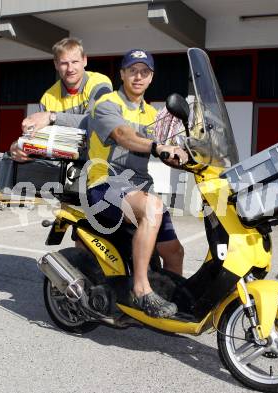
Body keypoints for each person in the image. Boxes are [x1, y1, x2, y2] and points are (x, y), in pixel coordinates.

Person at [87, 49, 188, 318]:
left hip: (138, 188)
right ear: (122, 74)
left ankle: (171, 298)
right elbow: (123, 135)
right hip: (105, 183)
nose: (138, 76)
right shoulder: (106, 103)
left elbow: (162, 150)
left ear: (151, 77)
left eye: (144, 72)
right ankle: (141, 290)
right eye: (132, 70)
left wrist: (182, 154)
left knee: (175, 251)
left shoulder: (152, 114)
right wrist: (158, 146)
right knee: (154, 207)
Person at [10, 37, 112, 161]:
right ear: (56, 64)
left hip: (100, 165)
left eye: (75, 62)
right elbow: (38, 137)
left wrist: (52, 117)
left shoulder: (99, 83)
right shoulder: (48, 97)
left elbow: (95, 123)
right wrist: (18, 146)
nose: (70, 69)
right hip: (64, 170)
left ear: (84, 60)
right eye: (64, 63)